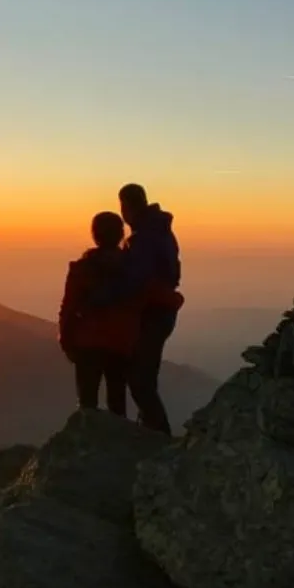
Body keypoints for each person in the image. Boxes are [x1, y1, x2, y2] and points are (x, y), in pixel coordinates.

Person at [113, 183, 183, 434]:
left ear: (127, 206)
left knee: (139, 380)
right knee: (146, 375)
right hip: (163, 310)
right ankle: (153, 432)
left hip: (152, 311)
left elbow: (135, 280)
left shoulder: (142, 238)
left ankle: (159, 436)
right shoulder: (161, 231)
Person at [58, 211, 140, 416]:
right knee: (117, 400)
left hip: (88, 342)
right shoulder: (132, 268)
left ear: (94, 234)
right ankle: (121, 442)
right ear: (120, 234)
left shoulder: (82, 269)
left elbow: (68, 308)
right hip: (121, 341)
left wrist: (66, 341)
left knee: (87, 403)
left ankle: (86, 441)